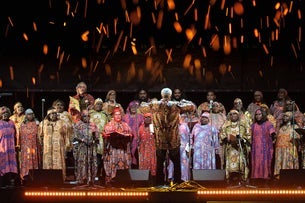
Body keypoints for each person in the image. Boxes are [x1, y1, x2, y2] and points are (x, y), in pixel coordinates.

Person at [139, 87, 196, 185]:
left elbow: (142, 108)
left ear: (161, 95)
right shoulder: (176, 104)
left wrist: (150, 102)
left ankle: (159, 182)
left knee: (160, 162)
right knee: (176, 161)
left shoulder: (154, 104)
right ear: (170, 95)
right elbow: (192, 107)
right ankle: (178, 182)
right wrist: (185, 101)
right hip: (172, 136)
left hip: (160, 137)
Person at [102, 107, 132, 186]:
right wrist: (108, 136)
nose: (118, 116)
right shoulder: (109, 124)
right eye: (116, 115)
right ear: (113, 116)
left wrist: (128, 136)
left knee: (123, 165)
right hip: (113, 150)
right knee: (113, 164)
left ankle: (123, 181)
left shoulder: (125, 125)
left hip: (123, 150)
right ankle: (111, 180)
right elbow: (105, 134)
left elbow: (131, 134)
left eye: (119, 115)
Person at [38, 107, 71, 180]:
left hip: (59, 147)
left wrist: (67, 146)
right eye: (51, 114)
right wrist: (41, 145)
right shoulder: (43, 123)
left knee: (59, 163)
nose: (53, 115)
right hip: (48, 148)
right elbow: (40, 136)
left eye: (54, 114)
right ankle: (48, 179)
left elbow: (66, 135)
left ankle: (60, 178)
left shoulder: (62, 123)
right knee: (48, 162)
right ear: (48, 115)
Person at [220, 109, 251, 185]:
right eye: (231, 114)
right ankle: (230, 181)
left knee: (241, 165)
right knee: (230, 166)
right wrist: (226, 137)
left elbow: (248, 135)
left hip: (240, 149)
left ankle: (242, 180)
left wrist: (242, 139)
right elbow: (222, 135)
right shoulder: (226, 125)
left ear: (238, 115)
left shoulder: (243, 124)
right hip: (230, 148)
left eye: (234, 114)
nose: (233, 116)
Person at [73, 109, 99, 185]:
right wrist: (83, 140)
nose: (86, 118)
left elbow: (97, 136)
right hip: (82, 147)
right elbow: (75, 136)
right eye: (84, 116)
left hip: (91, 147)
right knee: (82, 162)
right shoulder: (78, 125)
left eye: (88, 116)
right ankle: (82, 179)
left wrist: (94, 137)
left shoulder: (93, 125)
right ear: (81, 116)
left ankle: (91, 179)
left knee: (91, 162)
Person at [250, 108, 276, 187]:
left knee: (265, 163)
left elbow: (273, 134)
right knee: (256, 163)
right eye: (256, 115)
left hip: (266, 148)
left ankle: (265, 182)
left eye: (259, 114)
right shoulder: (253, 126)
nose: (258, 116)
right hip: (256, 149)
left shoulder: (268, 124)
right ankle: (256, 182)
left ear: (263, 115)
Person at [274, 111, 300, 178]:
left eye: (287, 116)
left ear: (291, 117)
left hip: (289, 149)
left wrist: (295, 135)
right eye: (284, 116)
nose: (285, 117)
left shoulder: (294, 126)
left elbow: (299, 136)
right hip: (280, 150)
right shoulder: (281, 127)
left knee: (289, 163)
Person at [89, 98, 109, 183]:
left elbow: (108, 126)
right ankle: (92, 178)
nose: (99, 106)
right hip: (91, 139)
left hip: (102, 139)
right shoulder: (90, 114)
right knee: (93, 159)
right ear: (94, 105)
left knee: (101, 159)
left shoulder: (105, 115)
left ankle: (101, 177)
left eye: (100, 104)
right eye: (97, 104)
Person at [19, 108, 40, 182]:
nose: (30, 116)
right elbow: (21, 136)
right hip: (25, 147)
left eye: (31, 114)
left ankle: (35, 175)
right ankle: (25, 175)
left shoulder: (36, 123)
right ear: (26, 115)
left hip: (34, 146)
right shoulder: (22, 124)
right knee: (26, 161)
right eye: (28, 114)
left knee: (35, 159)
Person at [0, 106, 18, 187]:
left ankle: (11, 182)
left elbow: (16, 135)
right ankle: (2, 182)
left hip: (11, 148)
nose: (5, 114)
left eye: (6, 113)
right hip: (2, 148)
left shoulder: (12, 123)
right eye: (3, 113)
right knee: (3, 164)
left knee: (11, 165)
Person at [122, 101, 144, 169]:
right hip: (128, 138)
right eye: (132, 107)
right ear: (129, 108)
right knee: (128, 153)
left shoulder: (140, 117)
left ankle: (136, 168)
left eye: (135, 107)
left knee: (136, 154)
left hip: (137, 138)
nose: (133, 109)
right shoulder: (125, 117)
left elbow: (142, 127)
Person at [138, 113, 157, 183]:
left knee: (152, 164)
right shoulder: (140, 128)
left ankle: (152, 181)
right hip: (143, 149)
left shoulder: (153, 127)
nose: (147, 119)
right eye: (146, 117)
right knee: (144, 164)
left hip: (152, 149)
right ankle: (143, 181)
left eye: (149, 117)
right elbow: (139, 139)